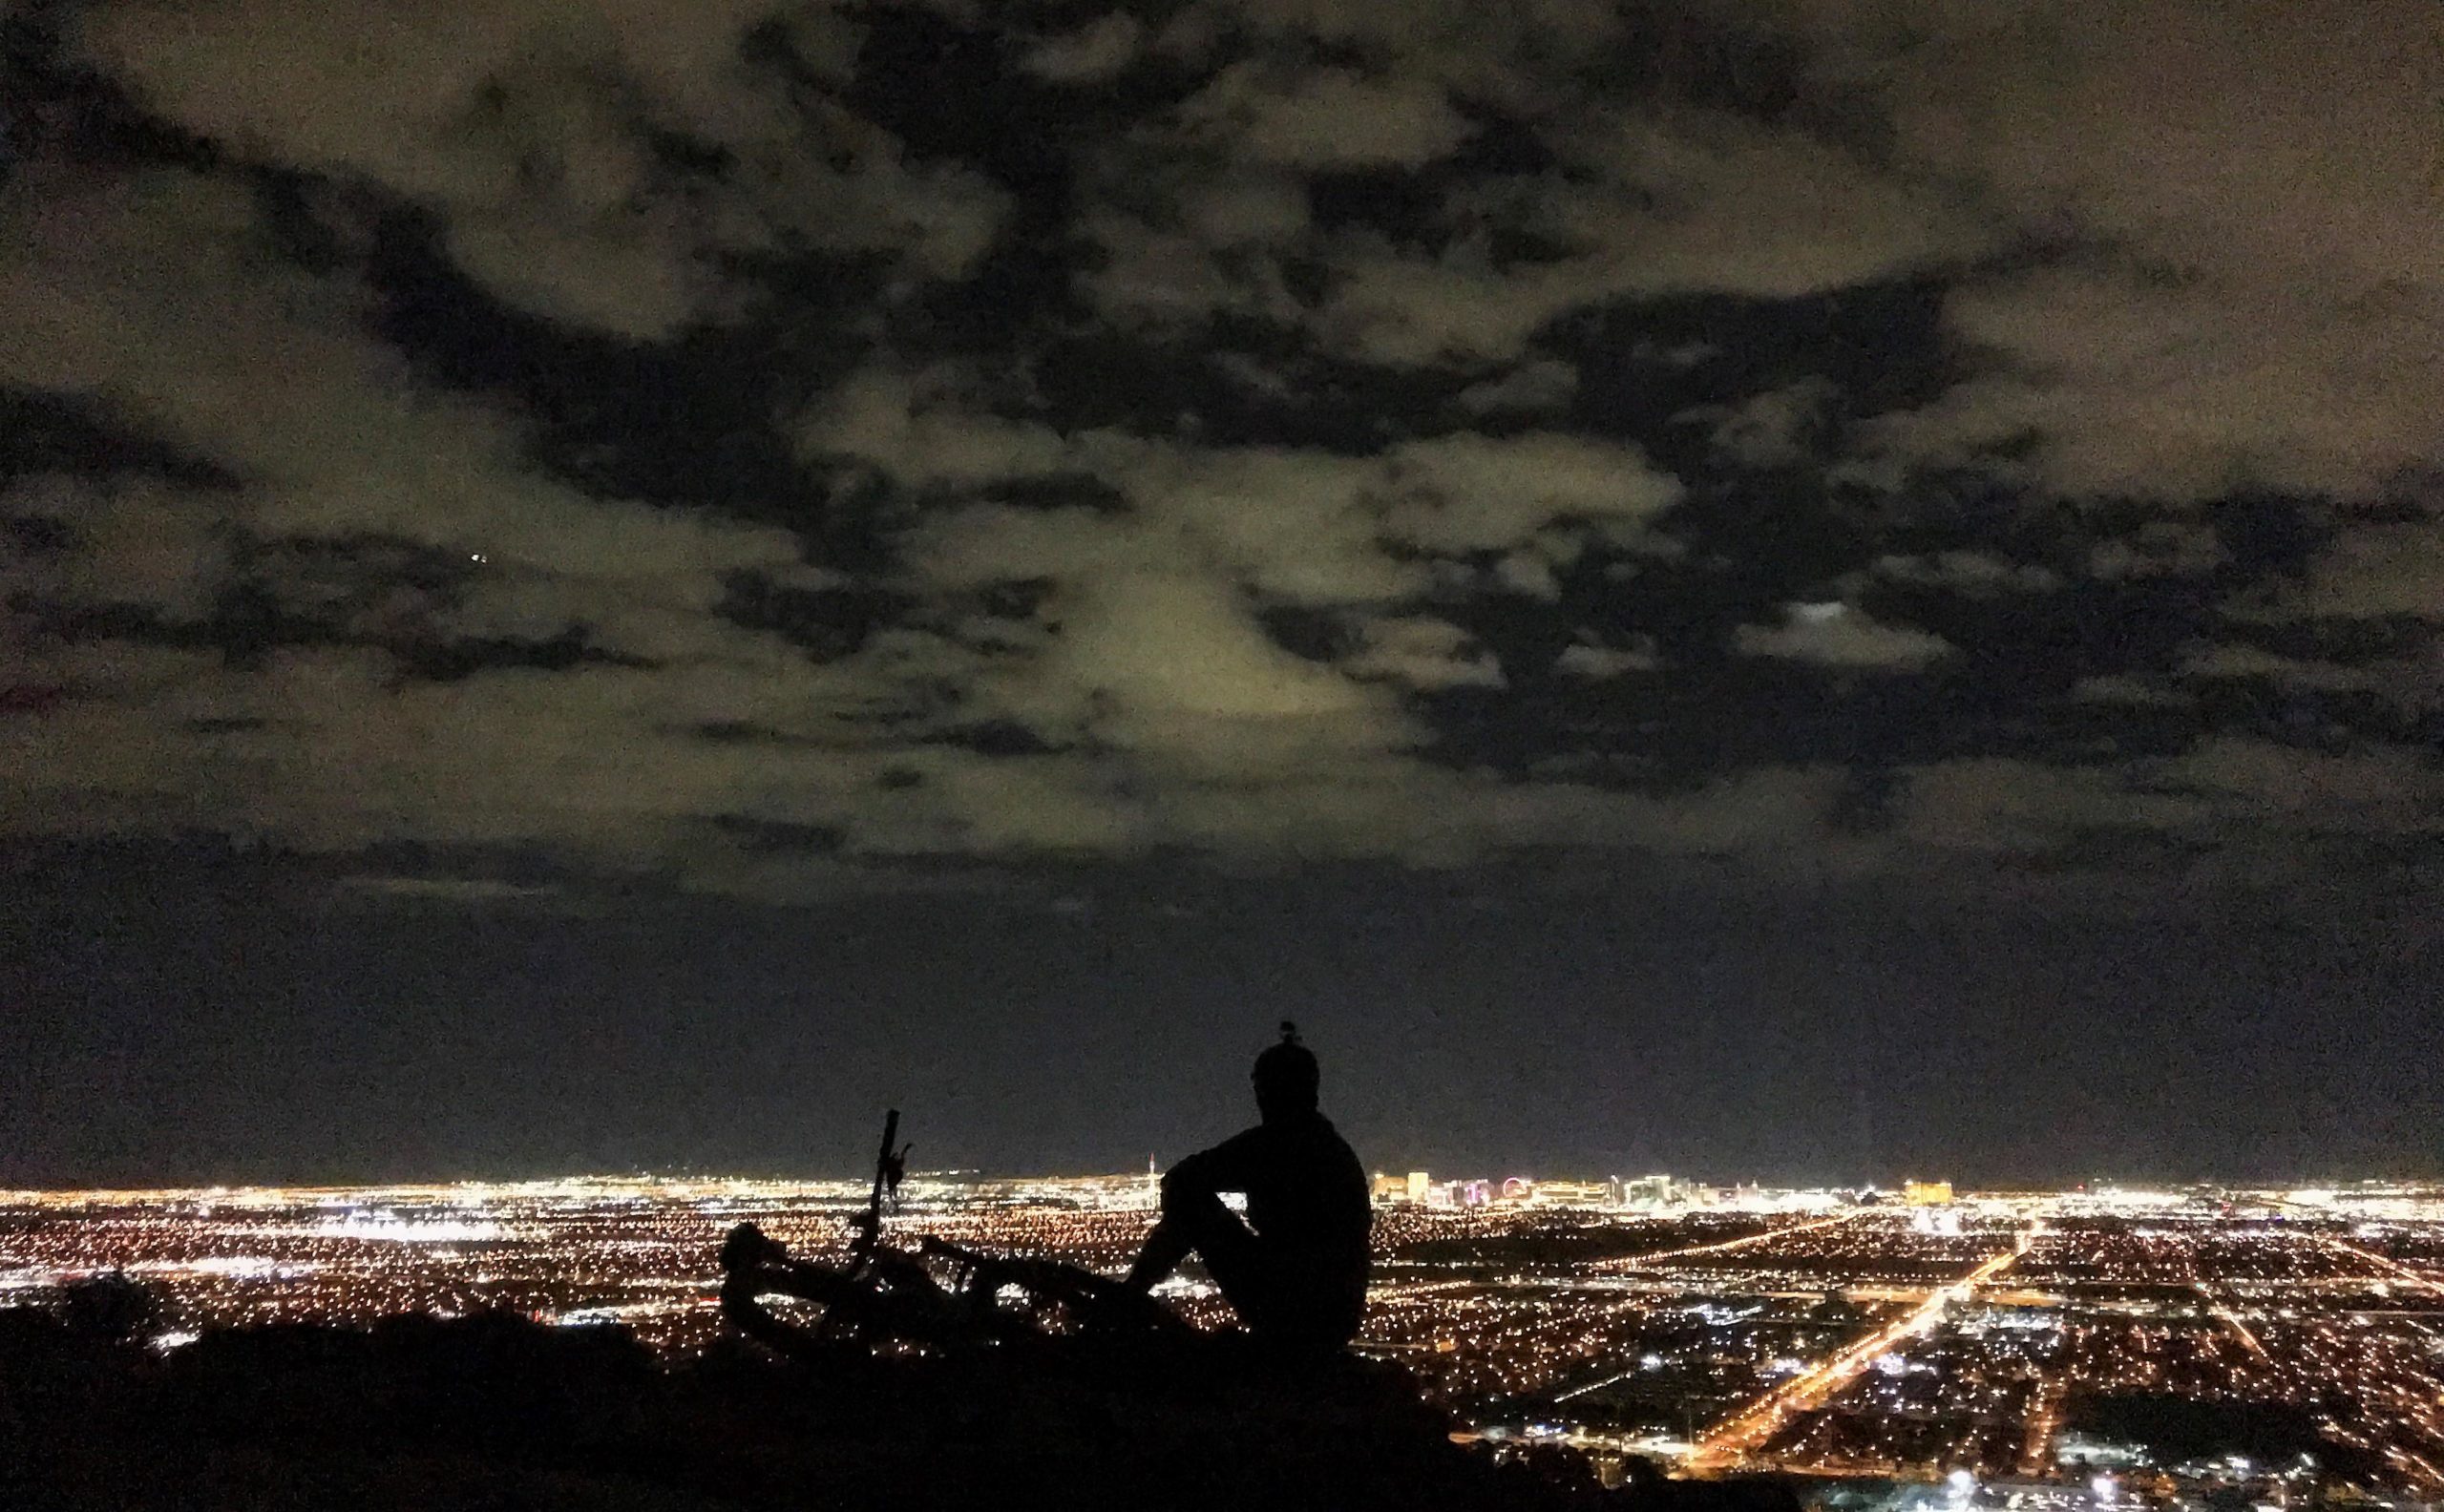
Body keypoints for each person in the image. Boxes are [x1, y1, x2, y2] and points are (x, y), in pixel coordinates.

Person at [1122, 1022, 1371, 1354]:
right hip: (1336, 1317)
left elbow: (1181, 1180)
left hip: (1290, 1307)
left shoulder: (1276, 1144)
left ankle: (1129, 1297)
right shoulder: (1331, 1148)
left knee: (1191, 1202)